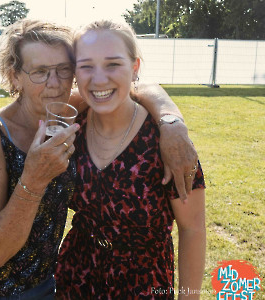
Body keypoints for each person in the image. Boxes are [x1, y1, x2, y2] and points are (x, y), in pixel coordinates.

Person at [0, 19, 199, 299]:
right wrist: (34, 178)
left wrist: (171, 121)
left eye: (64, 70)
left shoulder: (71, 114)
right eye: (39, 71)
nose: (53, 83)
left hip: (44, 285)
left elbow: (127, 84)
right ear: (15, 76)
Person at [55, 20, 206, 299]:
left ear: (134, 68)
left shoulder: (167, 143)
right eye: (86, 65)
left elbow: (192, 228)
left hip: (144, 284)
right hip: (75, 277)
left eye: (113, 64)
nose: (98, 79)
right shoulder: (71, 125)